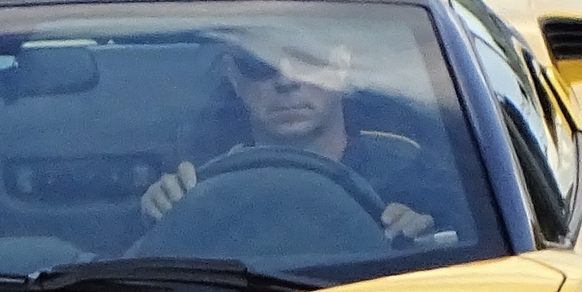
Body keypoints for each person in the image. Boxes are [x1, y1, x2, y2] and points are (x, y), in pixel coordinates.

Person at [138, 25, 445, 240]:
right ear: (233, 76)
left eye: (307, 56)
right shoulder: (195, 185)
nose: (286, 81)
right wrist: (157, 218)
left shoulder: (415, 173)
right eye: (259, 63)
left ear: (343, 66)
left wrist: (427, 235)